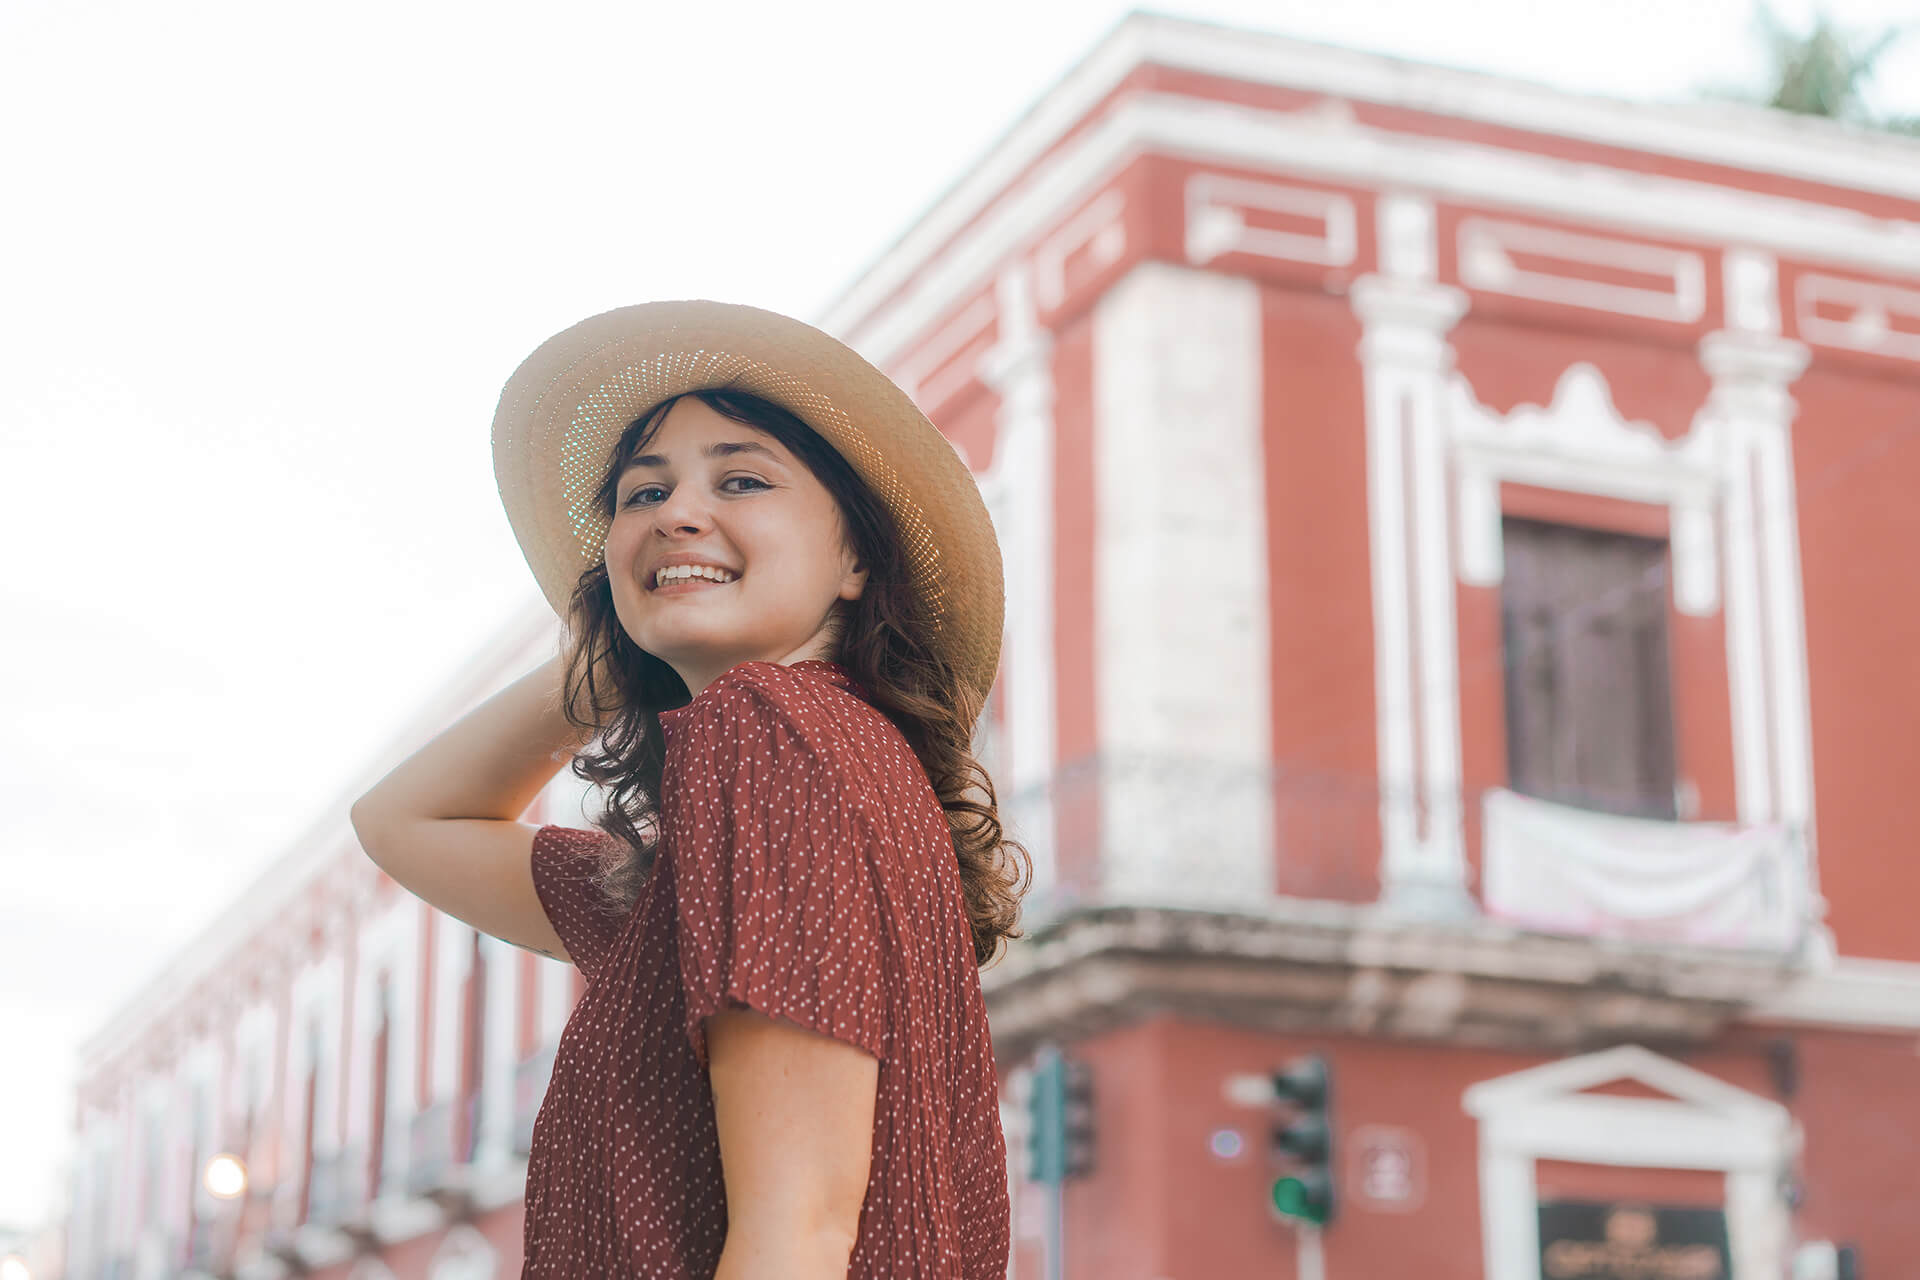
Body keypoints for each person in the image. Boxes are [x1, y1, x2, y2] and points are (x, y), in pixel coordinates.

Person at [349, 299, 1030, 1278]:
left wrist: (642, 617)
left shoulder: (771, 729)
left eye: (741, 477)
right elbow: (404, 823)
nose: (675, 511)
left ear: (857, 558)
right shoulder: (795, 802)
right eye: (640, 495)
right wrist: (616, 644)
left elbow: (798, 1228)